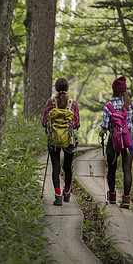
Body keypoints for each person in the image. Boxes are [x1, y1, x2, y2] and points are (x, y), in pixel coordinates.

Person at [99, 76, 133, 209]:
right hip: (128, 140)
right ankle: (126, 199)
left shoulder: (108, 106)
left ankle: (112, 196)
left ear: (113, 90)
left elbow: (105, 126)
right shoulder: (131, 104)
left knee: (111, 169)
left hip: (114, 140)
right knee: (126, 170)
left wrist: (103, 132)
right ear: (124, 90)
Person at [42, 78, 80, 206]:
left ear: (56, 88)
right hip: (69, 140)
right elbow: (77, 124)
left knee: (56, 168)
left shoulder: (50, 102)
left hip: (54, 140)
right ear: (67, 88)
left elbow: (44, 122)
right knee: (68, 167)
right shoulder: (72, 104)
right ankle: (67, 193)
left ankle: (58, 196)